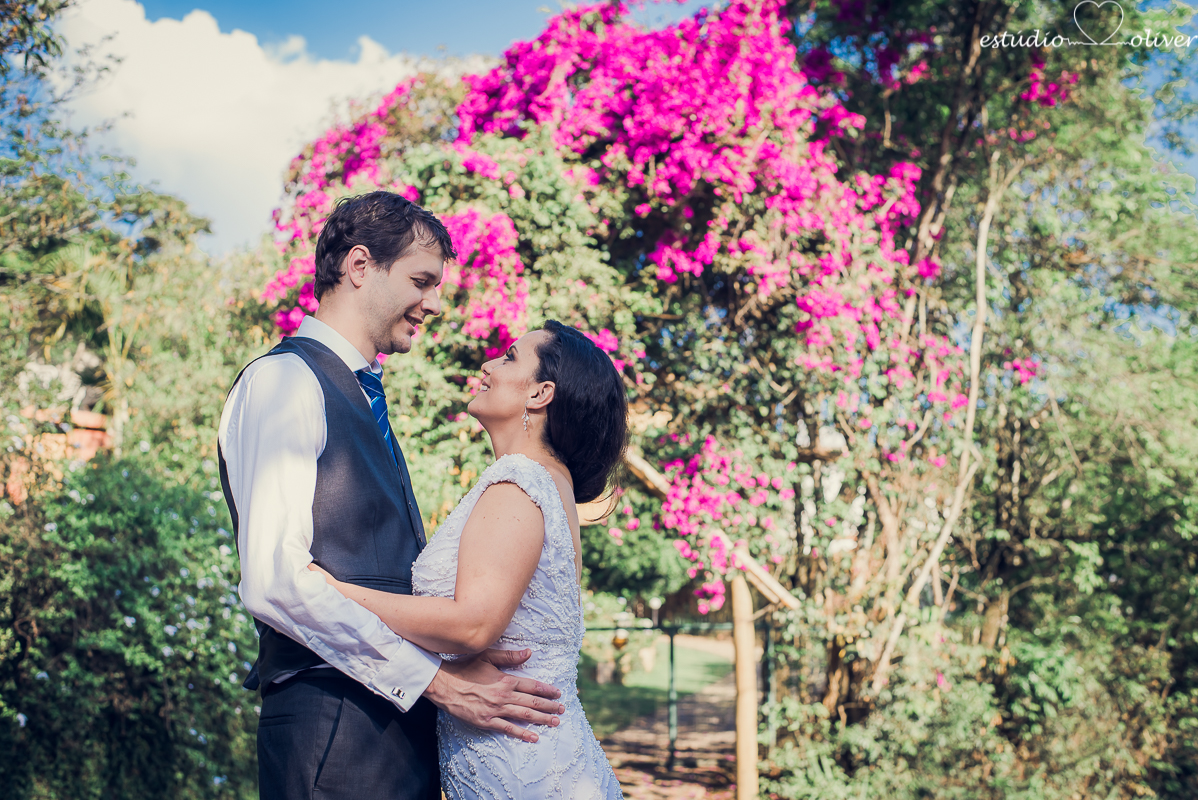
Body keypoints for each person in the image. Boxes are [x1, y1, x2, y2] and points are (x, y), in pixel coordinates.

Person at [217, 191, 565, 800]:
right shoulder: (284, 383)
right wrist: (436, 680)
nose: (434, 303)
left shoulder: (359, 392)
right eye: (421, 280)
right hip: (333, 734)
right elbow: (275, 581)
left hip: (389, 730)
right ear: (358, 267)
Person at [309, 320, 628, 799]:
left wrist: (334, 591)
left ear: (541, 393)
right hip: (530, 754)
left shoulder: (519, 482)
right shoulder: (551, 483)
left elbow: (473, 624)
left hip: (521, 766)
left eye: (509, 358)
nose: (487, 364)